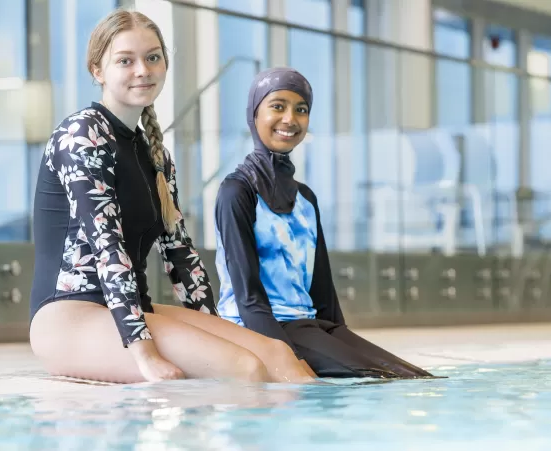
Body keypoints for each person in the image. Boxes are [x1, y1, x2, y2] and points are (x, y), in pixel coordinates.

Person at [28, 10, 315, 385]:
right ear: (98, 71)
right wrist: (142, 351)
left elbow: (180, 255)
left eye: (152, 57)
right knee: (244, 368)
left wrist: (214, 328)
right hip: (69, 316)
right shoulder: (82, 134)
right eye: (125, 61)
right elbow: (108, 247)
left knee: (278, 354)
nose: (142, 70)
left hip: (133, 308)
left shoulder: (156, 155)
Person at [214, 67, 441, 379]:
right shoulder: (236, 191)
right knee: (380, 378)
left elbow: (324, 298)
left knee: (414, 376)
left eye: (301, 109)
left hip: (308, 324)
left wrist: (343, 339)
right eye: (277, 106)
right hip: (261, 329)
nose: (290, 119)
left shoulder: (305, 198)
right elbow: (248, 299)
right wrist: (286, 359)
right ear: (254, 113)